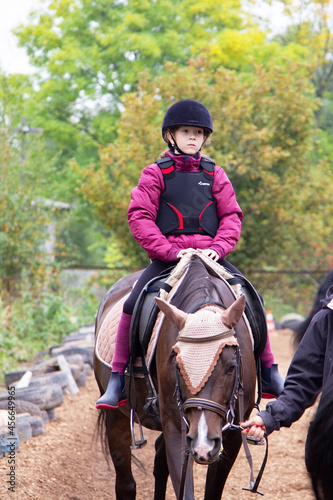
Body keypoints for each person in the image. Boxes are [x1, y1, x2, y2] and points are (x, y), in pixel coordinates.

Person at [96, 99, 283, 410]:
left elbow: (231, 217)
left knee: (252, 297)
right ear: (171, 135)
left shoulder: (215, 173)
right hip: (169, 257)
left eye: (198, 132)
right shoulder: (155, 173)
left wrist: (217, 249)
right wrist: (169, 251)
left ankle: (268, 371)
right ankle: (118, 377)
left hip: (210, 257)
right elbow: (139, 216)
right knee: (131, 302)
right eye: (186, 131)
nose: (193, 137)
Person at [240, 285, 333, 441]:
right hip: (189, 262)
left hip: (218, 259)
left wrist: (221, 257)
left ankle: (266, 367)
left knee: (252, 296)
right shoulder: (326, 319)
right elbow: (304, 382)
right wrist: (269, 417)